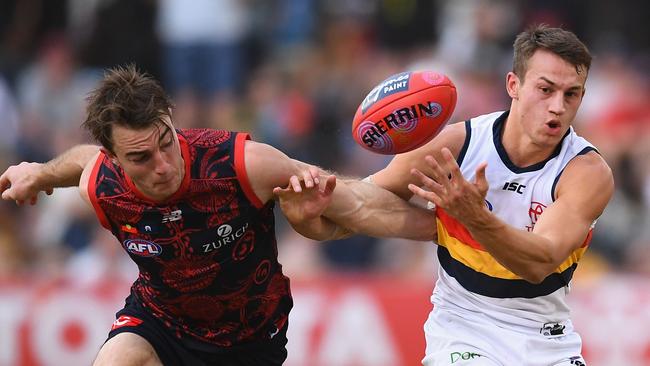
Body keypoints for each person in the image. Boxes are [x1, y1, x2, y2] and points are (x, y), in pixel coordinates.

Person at [0, 65, 437, 365]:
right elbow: (82, 161)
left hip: (249, 338)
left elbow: (358, 204)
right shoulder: (101, 182)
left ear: (171, 119)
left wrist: (448, 228)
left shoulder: (243, 163)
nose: (163, 164)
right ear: (114, 158)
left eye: (165, 142)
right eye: (140, 157)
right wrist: (40, 174)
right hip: (160, 321)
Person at [276, 24, 612, 365]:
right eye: (546, 89)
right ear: (514, 85)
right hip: (465, 331)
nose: (557, 106)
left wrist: (472, 216)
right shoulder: (455, 146)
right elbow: (364, 204)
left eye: (571, 94)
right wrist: (315, 209)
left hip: (548, 340)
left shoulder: (586, 173)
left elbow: (538, 263)